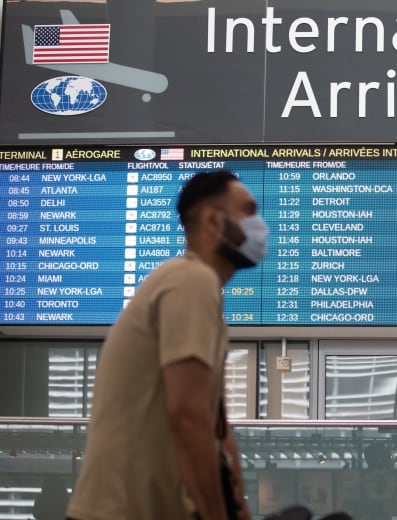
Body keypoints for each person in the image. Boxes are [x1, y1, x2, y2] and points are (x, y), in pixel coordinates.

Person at [67, 170, 268, 520]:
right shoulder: (191, 281)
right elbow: (187, 416)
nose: (258, 225)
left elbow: (213, 425)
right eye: (248, 211)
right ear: (211, 220)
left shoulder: (197, 291)